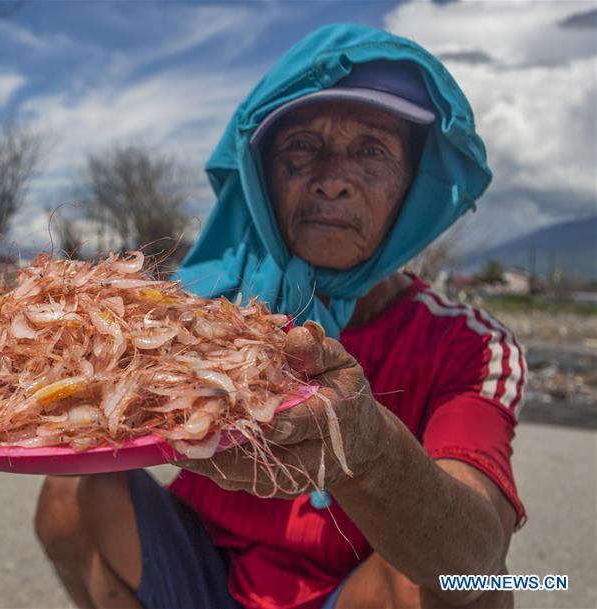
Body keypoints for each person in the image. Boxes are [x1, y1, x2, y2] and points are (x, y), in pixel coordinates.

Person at [35, 24, 525, 609]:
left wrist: (368, 450)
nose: (333, 180)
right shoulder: (200, 314)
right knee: (69, 494)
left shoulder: (466, 346)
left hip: (354, 590)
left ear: (413, 187)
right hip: (206, 565)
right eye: (301, 147)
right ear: (262, 174)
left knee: (484, 588)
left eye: (372, 151)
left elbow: (482, 550)